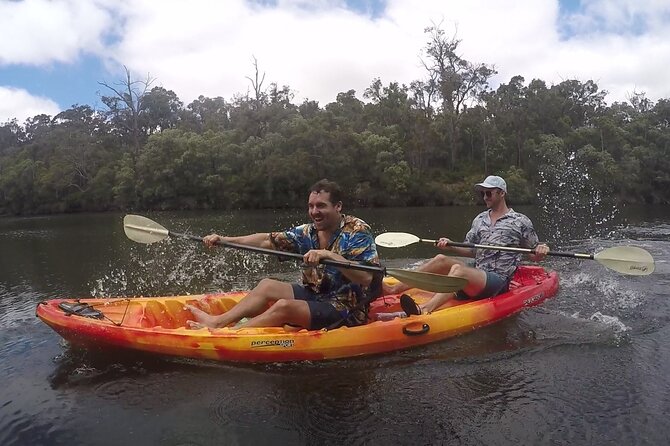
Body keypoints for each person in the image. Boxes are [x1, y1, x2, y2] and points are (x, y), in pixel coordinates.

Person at [186, 179, 381, 330]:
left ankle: (228, 334)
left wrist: (329, 256)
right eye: (311, 206)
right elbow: (266, 240)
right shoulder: (308, 232)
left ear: (337, 206)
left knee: (284, 307)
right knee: (267, 285)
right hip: (316, 295)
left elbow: (366, 278)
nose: (314, 212)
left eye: (321, 206)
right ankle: (218, 322)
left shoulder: (357, 231)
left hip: (347, 308)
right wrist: (225, 240)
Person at [385, 175, 550, 316]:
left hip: (498, 281)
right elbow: (470, 250)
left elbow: (533, 254)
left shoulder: (520, 221)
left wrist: (541, 250)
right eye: (483, 193)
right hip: (478, 272)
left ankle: (425, 309)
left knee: (459, 271)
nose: (485, 197)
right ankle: (393, 290)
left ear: (502, 193)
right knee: (441, 259)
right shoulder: (480, 219)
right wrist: (450, 246)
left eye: (489, 193)